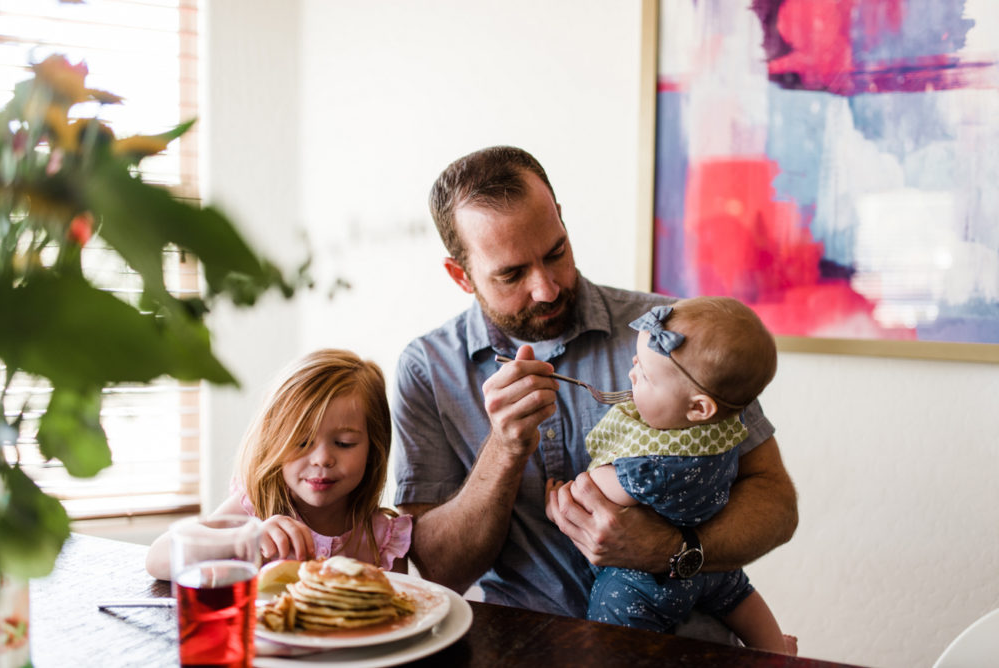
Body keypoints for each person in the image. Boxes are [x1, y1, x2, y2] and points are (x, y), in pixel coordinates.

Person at [391, 146, 797, 639]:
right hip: (522, 649)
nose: (545, 288)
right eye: (512, 274)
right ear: (461, 275)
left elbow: (776, 502)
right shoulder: (428, 370)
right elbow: (437, 572)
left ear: (560, 219)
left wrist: (673, 549)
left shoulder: (674, 335)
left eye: (555, 252)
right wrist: (504, 448)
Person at [546, 297, 794, 653]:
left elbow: (595, 490)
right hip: (713, 569)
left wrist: (559, 499)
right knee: (739, 595)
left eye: (644, 375)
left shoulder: (654, 466)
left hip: (648, 583)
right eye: (636, 362)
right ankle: (775, 649)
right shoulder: (726, 424)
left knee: (610, 614)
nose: (631, 373)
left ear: (698, 407)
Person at [146, 349, 411, 580]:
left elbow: (404, 612)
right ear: (274, 441)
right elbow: (158, 558)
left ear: (374, 449)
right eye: (302, 442)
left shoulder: (385, 540)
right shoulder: (253, 511)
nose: (322, 459)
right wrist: (242, 539)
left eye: (343, 443)